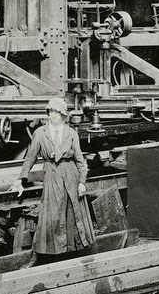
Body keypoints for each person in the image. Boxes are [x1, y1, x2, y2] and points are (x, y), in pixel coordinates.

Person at [9, 97, 95, 260]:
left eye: (57, 111)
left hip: (70, 174)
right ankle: (54, 253)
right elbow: (30, 158)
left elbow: (79, 159)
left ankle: (73, 250)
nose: (53, 114)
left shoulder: (71, 133)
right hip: (51, 175)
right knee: (53, 214)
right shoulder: (40, 133)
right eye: (51, 111)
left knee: (71, 211)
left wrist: (82, 182)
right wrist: (21, 179)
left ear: (63, 114)